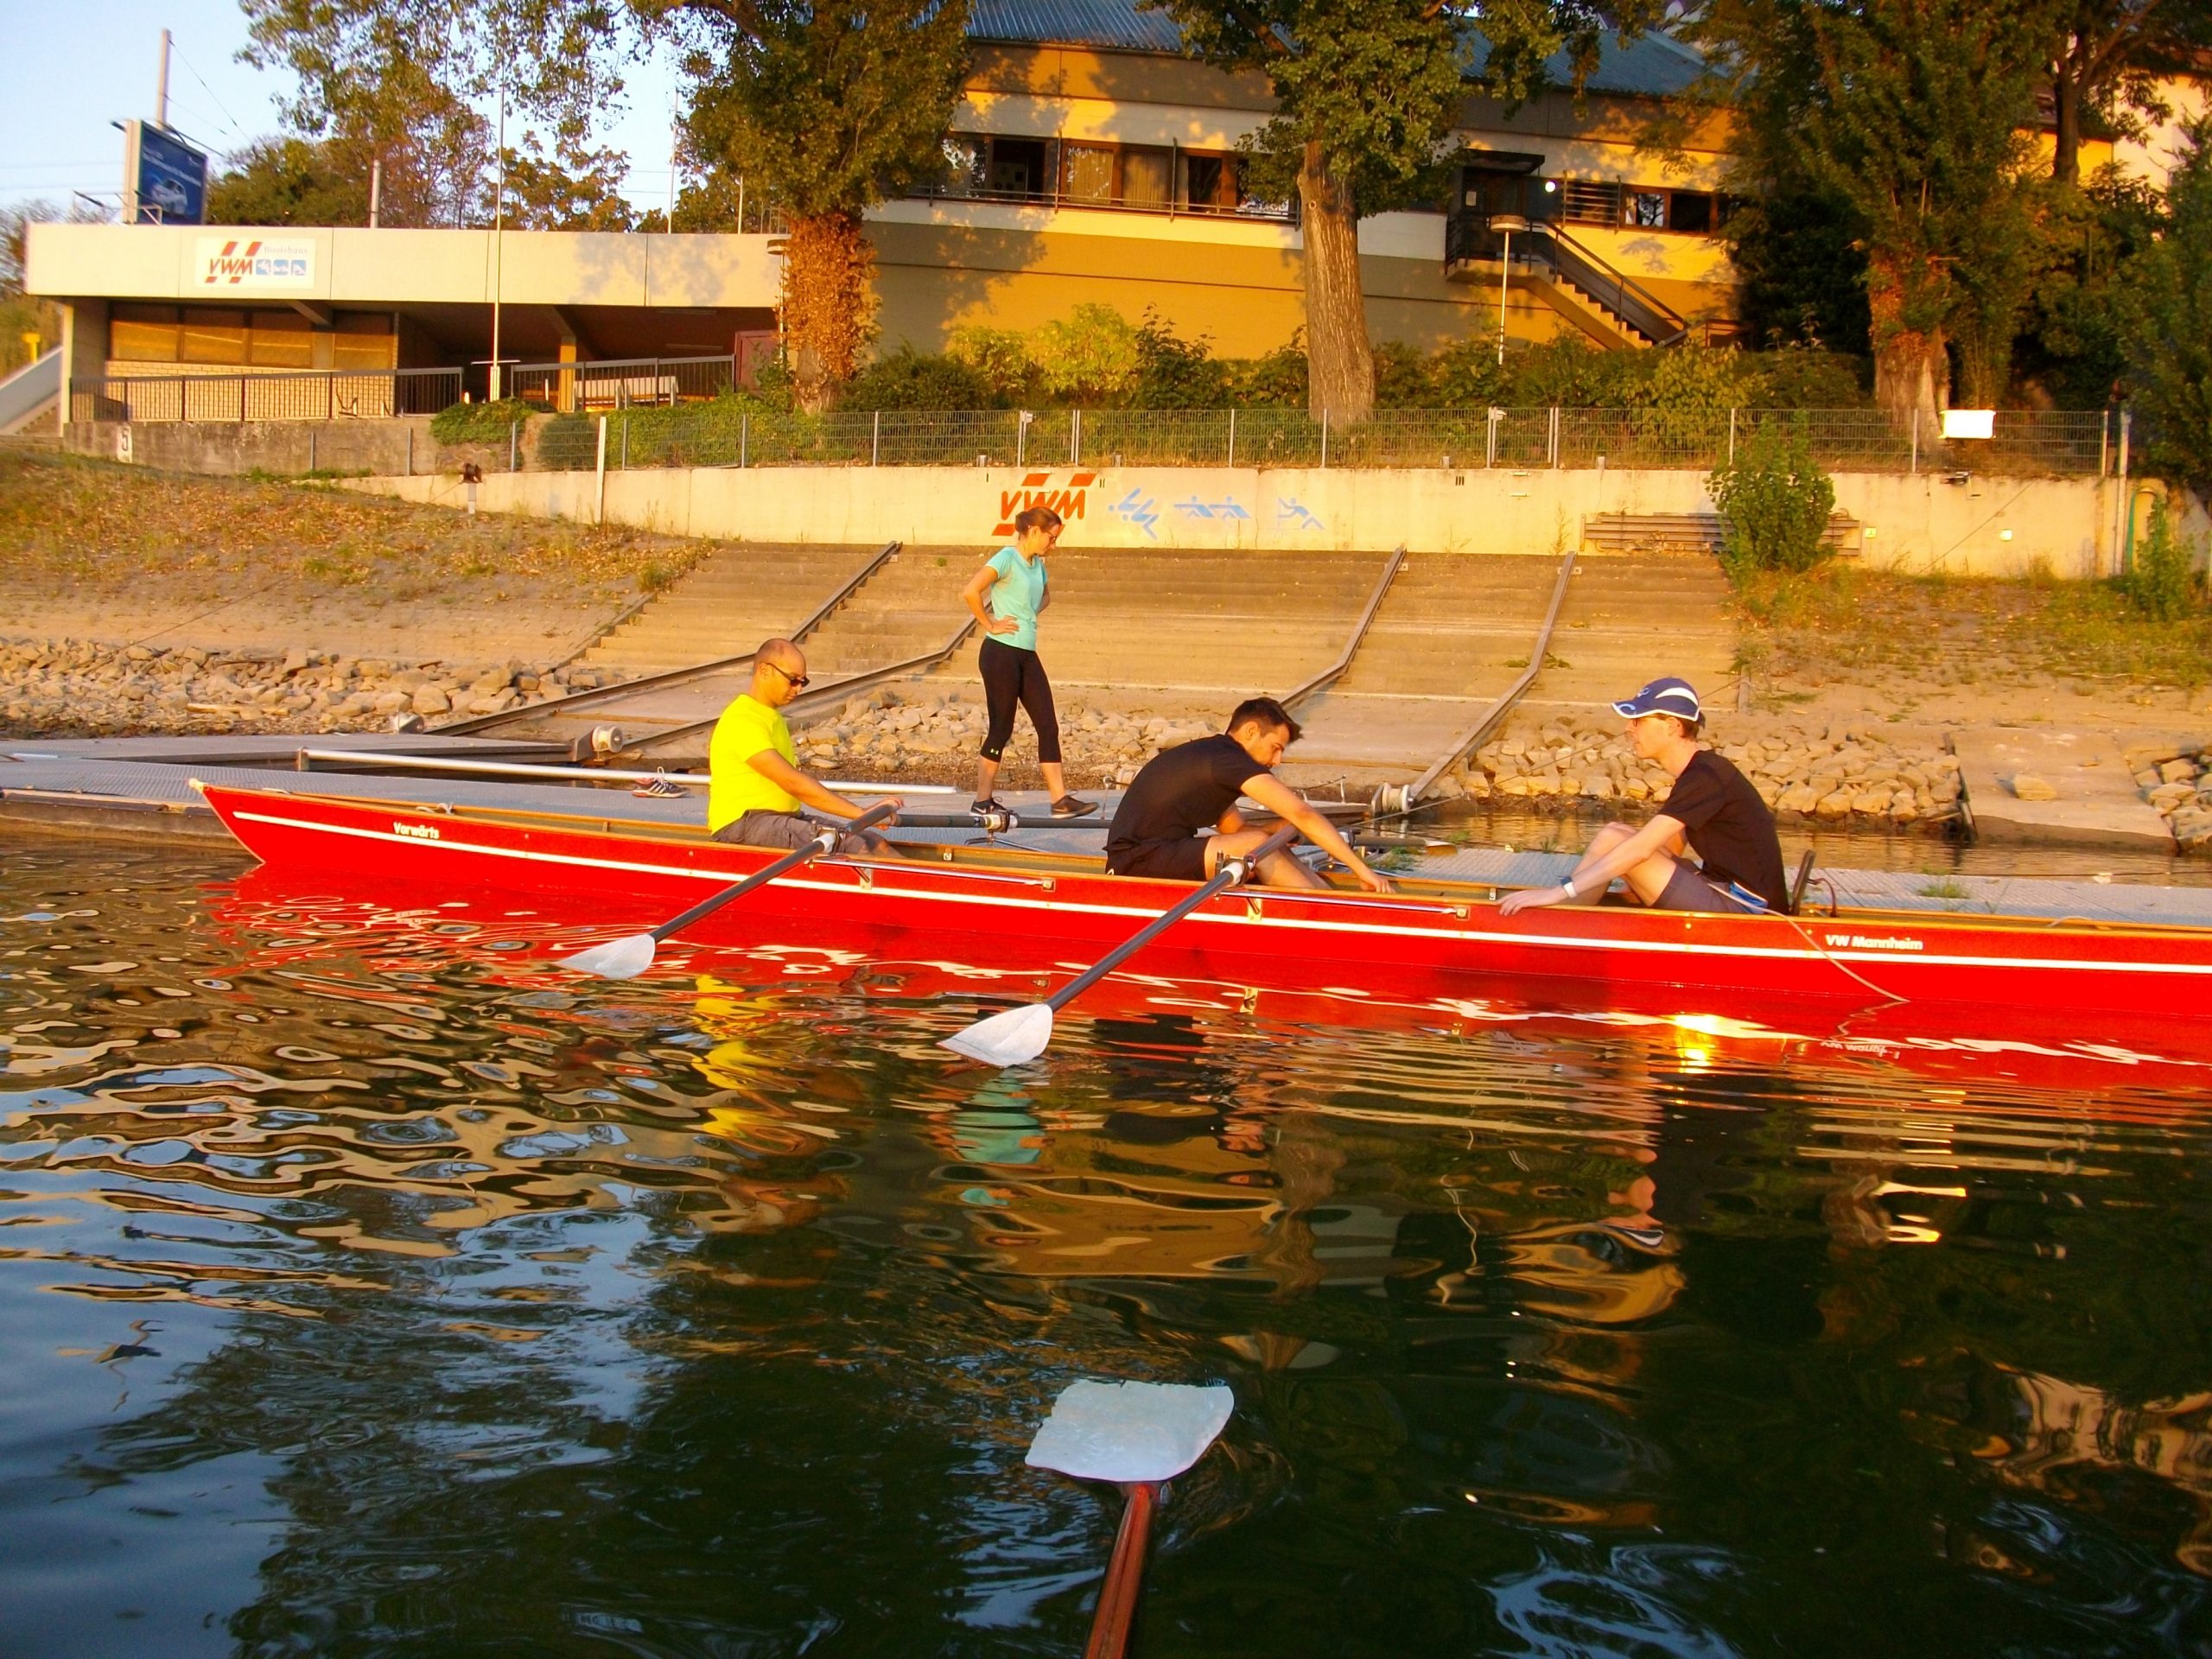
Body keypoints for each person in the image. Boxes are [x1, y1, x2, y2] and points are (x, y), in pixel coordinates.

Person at [1497, 676, 1786, 918]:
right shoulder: (1700, 772)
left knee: (1622, 844)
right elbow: (1670, 847)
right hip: (1721, 888)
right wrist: (1637, 882)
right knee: (1614, 834)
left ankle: (1561, 913)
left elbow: (1641, 850)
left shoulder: (1706, 778)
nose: (1628, 728)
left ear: (1672, 726)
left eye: (1638, 720)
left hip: (1750, 910)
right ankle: (1567, 917)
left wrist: (1558, 890)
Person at [1105, 696, 1394, 894]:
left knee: (1261, 842)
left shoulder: (1216, 758)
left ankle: (1328, 901)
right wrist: (1362, 870)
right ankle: (1327, 914)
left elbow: (1236, 830)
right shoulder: (1227, 760)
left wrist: (1281, 831)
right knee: (1257, 845)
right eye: (1276, 748)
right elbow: (1302, 812)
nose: (1276, 761)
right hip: (1134, 860)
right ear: (1251, 731)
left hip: (1161, 850)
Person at [961, 505, 1094, 821]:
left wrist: (1026, 613)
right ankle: (983, 800)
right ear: (1033, 531)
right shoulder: (1007, 558)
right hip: (1000, 653)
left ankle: (1060, 800)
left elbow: (1044, 597)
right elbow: (970, 591)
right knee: (1002, 727)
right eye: (1051, 537)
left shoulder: (1039, 566)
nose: (1053, 544)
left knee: (1048, 725)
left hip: (1026, 653)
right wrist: (990, 623)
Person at [707, 637, 900, 855]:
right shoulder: (742, 719)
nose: (798, 689)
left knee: (874, 842)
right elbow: (792, 782)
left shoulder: (772, 717)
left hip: (781, 818)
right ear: (764, 670)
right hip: (743, 824)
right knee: (858, 847)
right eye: (792, 680)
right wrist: (860, 813)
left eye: (803, 682)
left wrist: (864, 820)